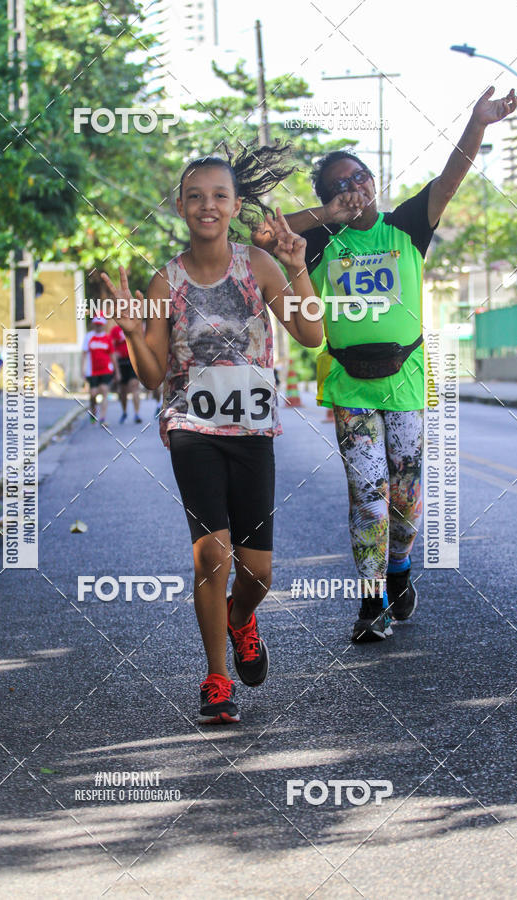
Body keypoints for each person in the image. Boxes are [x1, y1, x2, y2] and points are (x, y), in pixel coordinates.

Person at [253, 86, 517, 643]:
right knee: (369, 498)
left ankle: (399, 569)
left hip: (404, 381)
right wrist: (326, 215)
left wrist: (477, 123)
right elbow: (260, 231)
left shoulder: (406, 226)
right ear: (326, 199)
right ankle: (370, 601)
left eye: (358, 178)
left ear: (374, 181)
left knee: (405, 500)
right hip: (350, 383)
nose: (352, 190)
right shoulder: (320, 242)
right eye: (337, 187)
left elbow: (452, 175)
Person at [101, 142, 322, 723]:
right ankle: (216, 676)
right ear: (180, 206)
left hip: (252, 431)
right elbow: (152, 376)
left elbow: (310, 334)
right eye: (195, 196)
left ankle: (242, 615)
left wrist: (299, 267)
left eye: (219, 196)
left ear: (235, 204)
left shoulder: (259, 266)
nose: (207, 206)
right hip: (191, 427)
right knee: (211, 556)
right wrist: (131, 332)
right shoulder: (163, 282)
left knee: (259, 575)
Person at [81, 315, 120, 425]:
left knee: (104, 390)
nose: (98, 327)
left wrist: (116, 372)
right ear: (94, 325)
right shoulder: (88, 337)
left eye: (100, 325)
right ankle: (93, 412)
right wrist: (82, 370)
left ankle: (103, 418)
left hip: (106, 370)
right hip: (92, 370)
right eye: (97, 325)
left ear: (103, 325)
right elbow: (83, 355)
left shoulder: (107, 338)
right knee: (93, 394)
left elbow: (112, 355)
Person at [110, 321, 142, 424]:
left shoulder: (134, 328)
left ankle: (137, 414)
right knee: (123, 391)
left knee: (134, 387)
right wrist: (115, 355)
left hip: (133, 362)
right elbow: (111, 348)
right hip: (121, 363)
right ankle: (124, 412)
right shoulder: (115, 330)